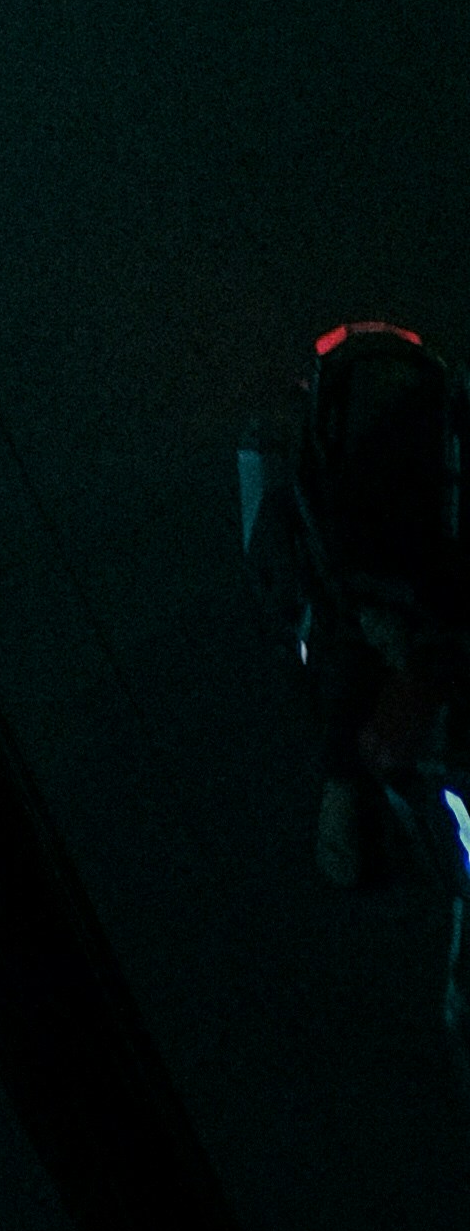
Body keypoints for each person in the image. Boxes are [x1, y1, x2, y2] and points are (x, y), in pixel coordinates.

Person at [246, 317, 470, 887]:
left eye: (327, 844)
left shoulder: (340, 733)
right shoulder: (390, 750)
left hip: (373, 545)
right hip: (393, 554)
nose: (327, 826)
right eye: (339, 846)